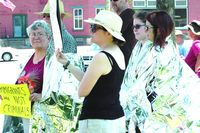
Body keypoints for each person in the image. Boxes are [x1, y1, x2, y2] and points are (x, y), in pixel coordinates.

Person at [120, 10, 200, 132]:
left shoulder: (164, 53)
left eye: (147, 27)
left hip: (160, 118)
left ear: (158, 30)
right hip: (152, 116)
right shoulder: (150, 49)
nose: (145, 30)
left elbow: (164, 91)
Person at [56, 10, 126, 133]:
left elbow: (82, 91)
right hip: (114, 118)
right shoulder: (117, 52)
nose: (90, 31)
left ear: (108, 33)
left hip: (98, 121)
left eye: (94, 27)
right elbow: (94, 82)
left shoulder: (101, 57)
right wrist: (68, 64)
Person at [3, 20, 53, 133]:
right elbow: (17, 85)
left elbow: (58, 89)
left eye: (40, 34)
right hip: (22, 114)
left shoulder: (53, 61)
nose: (36, 37)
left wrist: (42, 96)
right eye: (33, 34)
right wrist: (6, 95)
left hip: (41, 117)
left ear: (49, 38)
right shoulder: (25, 59)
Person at [110, 0, 137, 66]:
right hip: (121, 58)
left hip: (125, 59)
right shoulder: (122, 16)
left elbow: (113, 33)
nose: (112, 2)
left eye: (115, 0)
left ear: (125, 1)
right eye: (110, 0)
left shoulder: (128, 13)